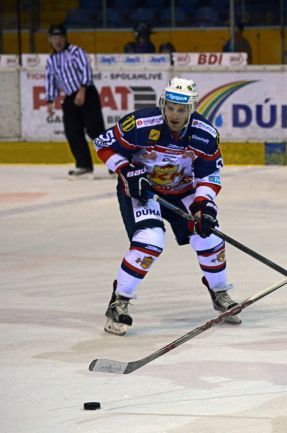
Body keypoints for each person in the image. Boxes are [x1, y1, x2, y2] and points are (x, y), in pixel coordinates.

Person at [93, 77, 240, 336]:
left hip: (183, 191)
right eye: (171, 107)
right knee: (151, 239)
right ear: (163, 104)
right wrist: (126, 170)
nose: (175, 114)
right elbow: (103, 145)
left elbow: (209, 176)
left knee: (208, 237)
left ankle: (220, 294)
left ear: (191, 109)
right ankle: (119, 301)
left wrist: (205, 206)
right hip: (143, 190)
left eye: (181, 109)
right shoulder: (140, 123)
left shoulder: (205, 134)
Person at [45, 23, 105, 178]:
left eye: (60, 37)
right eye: (54, 37)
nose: (57, 41)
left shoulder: (75, 51)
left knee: (96, 131)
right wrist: (50, 101)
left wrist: (82, 90)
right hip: (70, 97)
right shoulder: (51, 59)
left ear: (65, 38)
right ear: (50, 40)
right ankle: (84, 165)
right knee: (73, 132)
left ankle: (116, 163)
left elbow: (86, 69)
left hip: (87, 92)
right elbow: (51, 79)